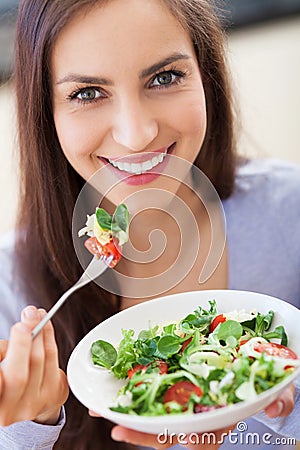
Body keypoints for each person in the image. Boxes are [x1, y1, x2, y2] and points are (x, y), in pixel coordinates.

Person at [0, 0, 299, 449]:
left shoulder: (288, 212)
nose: (136, 133)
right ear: (46, 112)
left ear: (206, 76)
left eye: (164, 77)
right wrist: (31, 424)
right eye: (87, 93)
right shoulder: (8, 284)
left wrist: (288, 404)